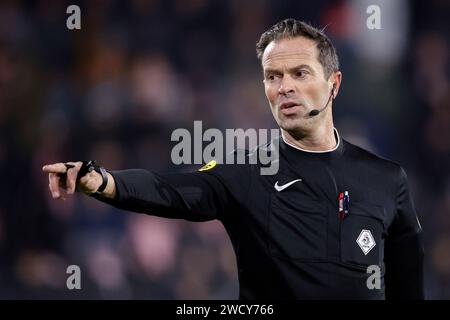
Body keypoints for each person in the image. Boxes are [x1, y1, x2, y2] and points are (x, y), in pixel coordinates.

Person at [42, 19, 424, 299]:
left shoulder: (387, 180)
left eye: (299, 72)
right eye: (273, 76)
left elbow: (409, 286)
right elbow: (172, 190)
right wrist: (102, 181)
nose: (285, 86)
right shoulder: (245, 173)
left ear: (334, 84)